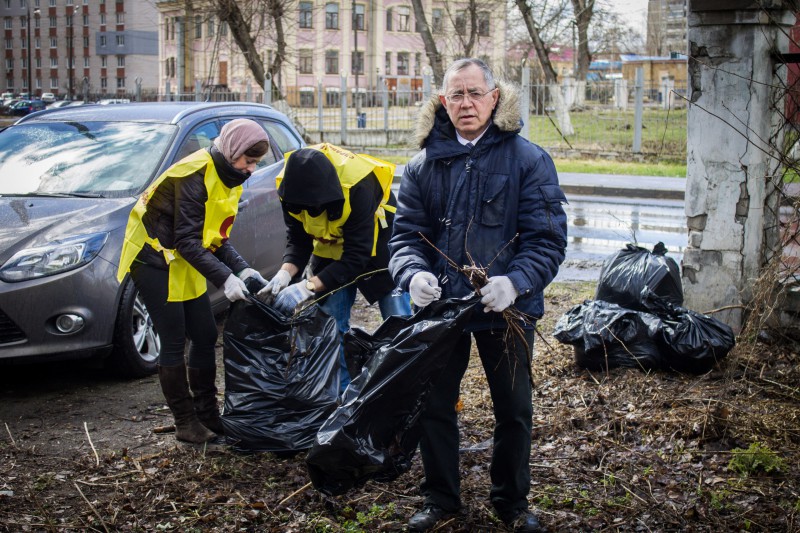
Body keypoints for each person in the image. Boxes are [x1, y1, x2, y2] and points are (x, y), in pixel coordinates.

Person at [388, 58, 568, 532]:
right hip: (442, 310)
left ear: (494, 97)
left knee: (514, 408)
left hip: (507, 310)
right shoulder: (422, 165)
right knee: (434, 406)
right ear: (443, 103)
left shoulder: (528, 160)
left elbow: (546, 239)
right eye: (456, 95)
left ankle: (511, 503)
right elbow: (404, 236)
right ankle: (441, 498)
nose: (465, 104)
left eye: (474, 93)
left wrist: (516, 282)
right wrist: (412, 275)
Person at [117, 119, 270, 444]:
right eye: (249, 160)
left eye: (256, 162)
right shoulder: (193, 175)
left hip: (181, 258)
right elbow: (187, 241)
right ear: (232, 151)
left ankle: (207, 414)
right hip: (154, 260)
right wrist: (226, 278)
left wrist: (243, 270)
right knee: (173, 339)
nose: (251, 169)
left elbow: (214, 237)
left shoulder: (228, 176)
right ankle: (185, 422)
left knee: (203, 333)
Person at [259, 143, 411, 393]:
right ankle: (340, 398)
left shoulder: (359, 186)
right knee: (330, 327)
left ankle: (404, 392)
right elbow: (298, 239)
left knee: (399, 322)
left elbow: (356, 257)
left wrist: (308, 287)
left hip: (375, 244)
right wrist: (284, 274)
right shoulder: (290, 186)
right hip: (329, 248)